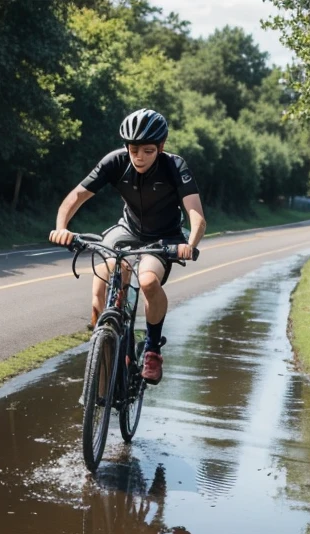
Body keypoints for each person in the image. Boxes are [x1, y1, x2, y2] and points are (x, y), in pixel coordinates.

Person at [49, 108, 206, 385]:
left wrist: (189, 245)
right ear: (126, 147)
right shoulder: (115, 162)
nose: (139, 157)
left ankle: (152, 350)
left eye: (147, 150)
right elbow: (75, 196)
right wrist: (61, 228)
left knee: (147, 281)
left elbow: (197, 216)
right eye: (134, 149)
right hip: (128, 230)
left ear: (161, 146)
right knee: (105, 274)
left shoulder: (174, 166)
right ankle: (106, 338)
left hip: (164, 238)